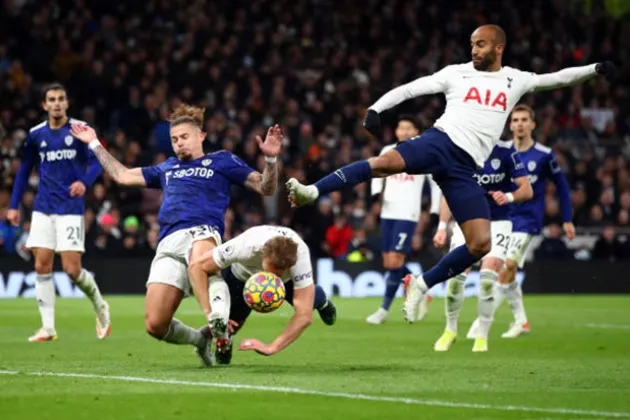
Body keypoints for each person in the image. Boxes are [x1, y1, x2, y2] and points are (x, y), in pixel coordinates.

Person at [286, 24, 618, 323]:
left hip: (464, 168)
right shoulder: (456, 73)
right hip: (439, 143)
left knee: (480, 244)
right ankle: (312, 190)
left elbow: (557, 78)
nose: (474, 49)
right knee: (383, 162)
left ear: (498, 48)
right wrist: (376, 108)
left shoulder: (516, 79)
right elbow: (412, 88)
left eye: (481, 44)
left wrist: (596, 69)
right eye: (472, 44)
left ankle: (421, 283)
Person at [69, 104, 281, 366]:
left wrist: (271, 160)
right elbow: (122, 175)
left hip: (202, 233)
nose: (179, 144)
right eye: (174, 139)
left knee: (202, 263)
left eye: (184, 137)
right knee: (155, 324)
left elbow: (266, 187)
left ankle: (218, 323)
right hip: (168, 243)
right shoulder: (166, 168)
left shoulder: (222, 161)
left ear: (200, 136)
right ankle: (200, 340)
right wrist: (93, 143)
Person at [7, 83, 109, 342]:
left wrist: (83, 182)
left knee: (72, 270)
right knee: (41, 265)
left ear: (66, 103)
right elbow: (23, 171)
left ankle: (100, 305)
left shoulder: (79, 130)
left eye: (60, 99)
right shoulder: (36, 134)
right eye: (51, 99)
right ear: (44, 105)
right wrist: (13, 205)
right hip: (43, 207)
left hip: (70, 208)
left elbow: (100, 159)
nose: (56, 103)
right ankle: (48, 327)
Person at [467, 104, 576, 339]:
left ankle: (482, 320)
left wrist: (567, 219)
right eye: (515, 120)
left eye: (524, 119)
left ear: (532, 124)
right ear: (510, 125)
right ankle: (521, 321)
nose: (519, 124)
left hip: (528, 220)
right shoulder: (501, 154)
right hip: (502, 218)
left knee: (507, 265)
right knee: (509, 270)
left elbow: (563, 188)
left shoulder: (545, 155)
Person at [432, 140, 532, 352]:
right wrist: (441, 226)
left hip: (498, 223)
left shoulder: (506, 151)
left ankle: (482, 336)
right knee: (455, 282)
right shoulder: (462, 148)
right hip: (467, 221)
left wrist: (508, 196)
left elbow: (527, 190)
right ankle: (450, 330)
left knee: (487, 281)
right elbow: (449, 193)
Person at [187, 225, 336, 363]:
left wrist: (272, 347)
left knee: (308, 303)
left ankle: (321, 299)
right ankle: (226, 341)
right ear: (262, 255)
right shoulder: (245, 246)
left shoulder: (300, 256)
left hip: (285, 283)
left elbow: (304, 316)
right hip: (241, 276)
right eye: (271, 269)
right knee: (229, 322)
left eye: (279, 272)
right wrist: (209, 312)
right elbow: (196, 267)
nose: (269, 279)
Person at [366, 115, 441, 325]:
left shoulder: (424, 152)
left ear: (416, 131)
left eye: (409, 128)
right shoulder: (388, 150)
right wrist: (375, 193)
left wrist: (434, 210)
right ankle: (420, 289)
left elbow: (435, 183)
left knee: (395, 262)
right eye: (401, 127)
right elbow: (376, 171)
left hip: (408, 215)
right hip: (388, 212)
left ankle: (383, 310)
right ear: (397, 131)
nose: (405, 131)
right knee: (389, 262)